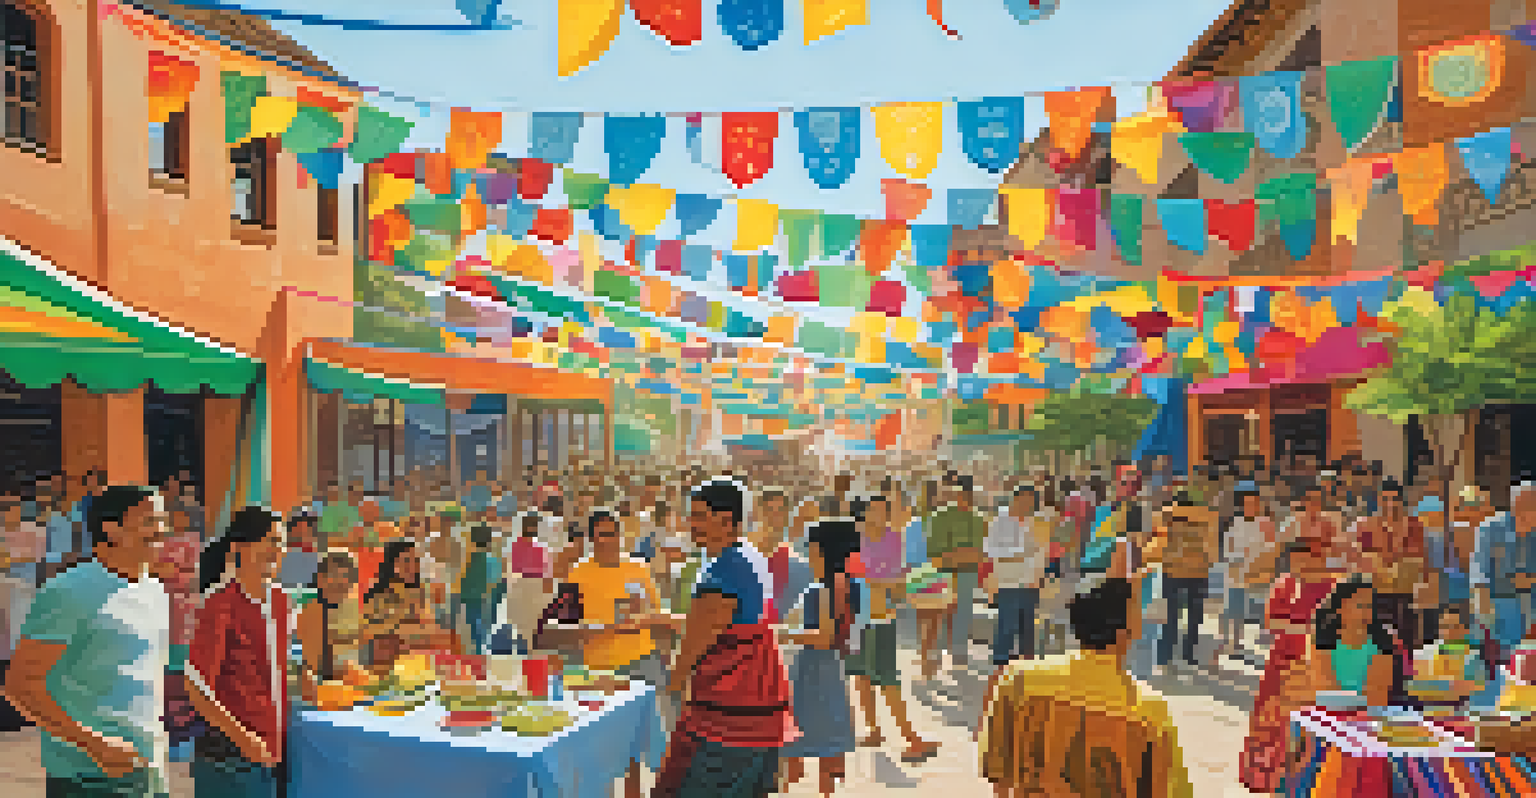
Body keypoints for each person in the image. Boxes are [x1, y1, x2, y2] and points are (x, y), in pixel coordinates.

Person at [4, 486, 172, 798]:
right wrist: (96, 745)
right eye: (149, 520)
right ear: (111, 529)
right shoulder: (67, 591)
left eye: (162, 520)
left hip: (150, 772)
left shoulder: (155, 590)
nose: (162, 530)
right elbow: (20, 686)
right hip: (88, 779)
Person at [979, 576, 1192, 797]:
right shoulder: (1150, 712)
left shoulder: (1019, 680)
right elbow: (1168, 790)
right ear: (1128, 632)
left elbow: (998, 774)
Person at [653, 479, 795, 798]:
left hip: (727, 715)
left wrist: (673, 685)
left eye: (700, 516)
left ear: (727, 519)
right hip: (757, 708)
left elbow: (698, 638)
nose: (691, 524)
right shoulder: (748, 557)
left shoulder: (723, 569)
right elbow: (731, 623)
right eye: (691, 515)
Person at [185, 507, 289, 798]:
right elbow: (196, 687)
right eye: (270, 541)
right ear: (239, 547)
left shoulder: (281, 601)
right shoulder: (218, 604)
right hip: (228, 757)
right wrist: (245, 739)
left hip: (270, 752)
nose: (277, 550)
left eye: (281, 543)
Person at [1238, 536, 1341, 793]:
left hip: (1316, 664)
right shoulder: (1285, 583)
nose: (1297, 566)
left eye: (1303, 560)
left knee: (1309, 723)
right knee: (1270, 719)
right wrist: (1307, 628)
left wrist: (1301, 629)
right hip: (1281, 661)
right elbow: (1271, 622)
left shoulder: (1335, 586)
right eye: (1294, 561)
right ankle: (1265, 776)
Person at [846, 495, 937, 762]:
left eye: (883, 511)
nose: (879, 515)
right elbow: (856, 577)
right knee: (861, 675)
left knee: (887, 678)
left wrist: (878, 583)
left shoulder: (895, 539)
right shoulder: (854, 538)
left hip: (881, 617)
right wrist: (880, 582)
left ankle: (912, 740)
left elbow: (898, 581)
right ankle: (874, 731)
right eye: (873, 510)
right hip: (856, 618)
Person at [779, 520, 858, 798]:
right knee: (827, 741)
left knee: (797, 739)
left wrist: (784, 634)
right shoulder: (846, 586)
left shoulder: (823, 589)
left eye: (811, 549)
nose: (808, 555)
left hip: (812, 669)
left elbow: (824, 636)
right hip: (830, 670)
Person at [362, 541, 451, 675]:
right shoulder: (379, 596)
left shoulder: (420, 594)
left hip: (417, 667)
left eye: (416, 561)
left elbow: (436, 634)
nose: (412, 567)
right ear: (392, 564)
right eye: (406, 561)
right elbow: (380, 635)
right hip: (385, 669)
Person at [984, 486, 1049, 667]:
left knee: (1027, 630)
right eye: (1024, 500)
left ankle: (1027, 670)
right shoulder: (999, 522)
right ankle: (1000, 668)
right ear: (1015, 499)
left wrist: (1039, 576)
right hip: (1008, 583)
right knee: (1006, 627)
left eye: (1031, 501)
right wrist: (1018, 553)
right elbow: (990, 550)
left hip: (1031, 583)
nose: (1027, 505)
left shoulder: (1037, 522)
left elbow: (1041, 551)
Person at [1473, 482, 1536, 666]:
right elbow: (1480, 573)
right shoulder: (1490, 529)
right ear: (1513, 507)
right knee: (1500, 663)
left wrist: (1530, 580)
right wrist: (1484, 611)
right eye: (1523, 509)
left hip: (1531, 604)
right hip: (1499, 604)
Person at [927, 475, 986, 672]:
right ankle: (932, 657)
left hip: (967, 574)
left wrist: (955, 555)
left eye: (968, 494)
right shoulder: (939, 517)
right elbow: (937, 556)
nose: (964, 498)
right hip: (942, 574)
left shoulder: (978, 519)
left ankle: (958, 655)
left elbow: (979, 554)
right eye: (960, 493)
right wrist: (962, 555)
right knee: (938, 617)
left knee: (963, 614)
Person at [1154, 495, 1218, 673]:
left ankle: (1165, 657)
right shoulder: (1205, 520)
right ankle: (1187, 655)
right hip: (1197, 573)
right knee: (1193, 617)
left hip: (1174, 572)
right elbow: (1212, 553)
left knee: (1170, 616)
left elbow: (1158, 545)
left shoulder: (1167, 518)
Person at [1311, 576, 1396, 708]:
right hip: (1330, 714)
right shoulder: (1324, 642)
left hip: (1369, 716)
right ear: (1340, 607)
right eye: (1360, 606)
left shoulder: (1382, 644)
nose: (1366, 612)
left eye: (1369, 606)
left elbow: (1376, 698)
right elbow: (1324, 691)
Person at [296, 552, 364, 699]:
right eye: (334, 577)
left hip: (340, 692)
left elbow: (347, 663)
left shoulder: (348, 613)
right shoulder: (307, 613)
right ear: (320, 579)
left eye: (346, 578)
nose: (341, 583)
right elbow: (305, 669)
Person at [1218, 487, 1273, 664]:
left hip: (1259, 574)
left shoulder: (1266, 524)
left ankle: (1267, 643)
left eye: (1255, 503)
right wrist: (1237, 563)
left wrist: (1261, 566)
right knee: (1236, 611)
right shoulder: (1236, 523)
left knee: (1264, 609)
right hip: (1237, 574)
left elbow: (1271, 548)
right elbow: (1228, 549)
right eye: (1248, 503)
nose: (1252, 506)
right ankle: (1234, 644)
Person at [1413, 602, 1498, 713]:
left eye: (1454, 627)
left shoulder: (1474, 658)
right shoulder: (1425, 653)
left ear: (1465, 630)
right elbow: (1415, 687)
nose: (1448, 631)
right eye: (1444, 626)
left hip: (1462, 714)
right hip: (1426, 712)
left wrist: (1436, 687)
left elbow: (1476, 691)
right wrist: (1452, 687)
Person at [457, 524, 505, 655]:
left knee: (475, 634)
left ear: (473, 541)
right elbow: (498, 585)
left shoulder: (468, 561)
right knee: (485, 633)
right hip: (487, 602)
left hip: (471, 602)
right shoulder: (494, 561)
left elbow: (463, 584)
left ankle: (478, 653)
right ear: (489, 541)